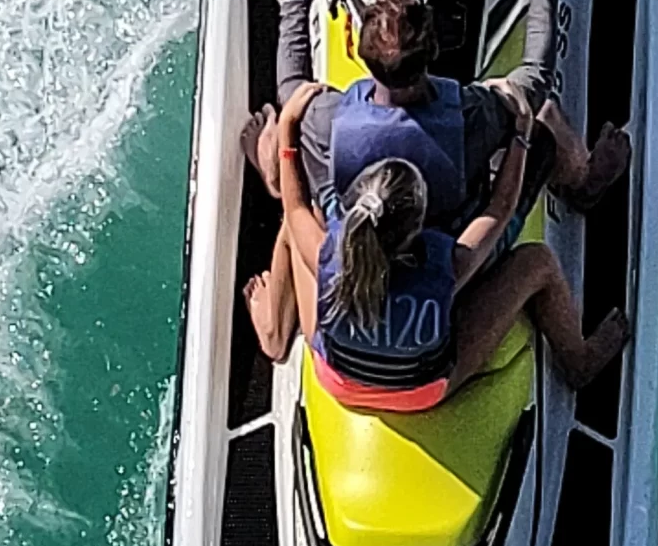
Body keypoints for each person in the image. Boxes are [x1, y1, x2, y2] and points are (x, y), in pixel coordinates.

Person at [250, 82, 627, 414]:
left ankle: (273, 330)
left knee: (297, 221)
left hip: (338, 380)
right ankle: (579, 360)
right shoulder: (446, 267)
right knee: (537, 262)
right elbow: (500, 209)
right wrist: (521, 134)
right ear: (420, 227)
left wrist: (287, 131)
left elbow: (295, 206)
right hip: (422, 391)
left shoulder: (327, 256)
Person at [253, 0, 628, 227]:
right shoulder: (470, 115)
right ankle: (583, 185)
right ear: (434, 51)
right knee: (542, 118)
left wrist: (293, 5)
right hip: (452, 242)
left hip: (369, 231)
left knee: (287, 126)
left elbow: (292, 89)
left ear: (364, 58)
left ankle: (275, 179)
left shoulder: (327, 117)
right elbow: (535, 79)